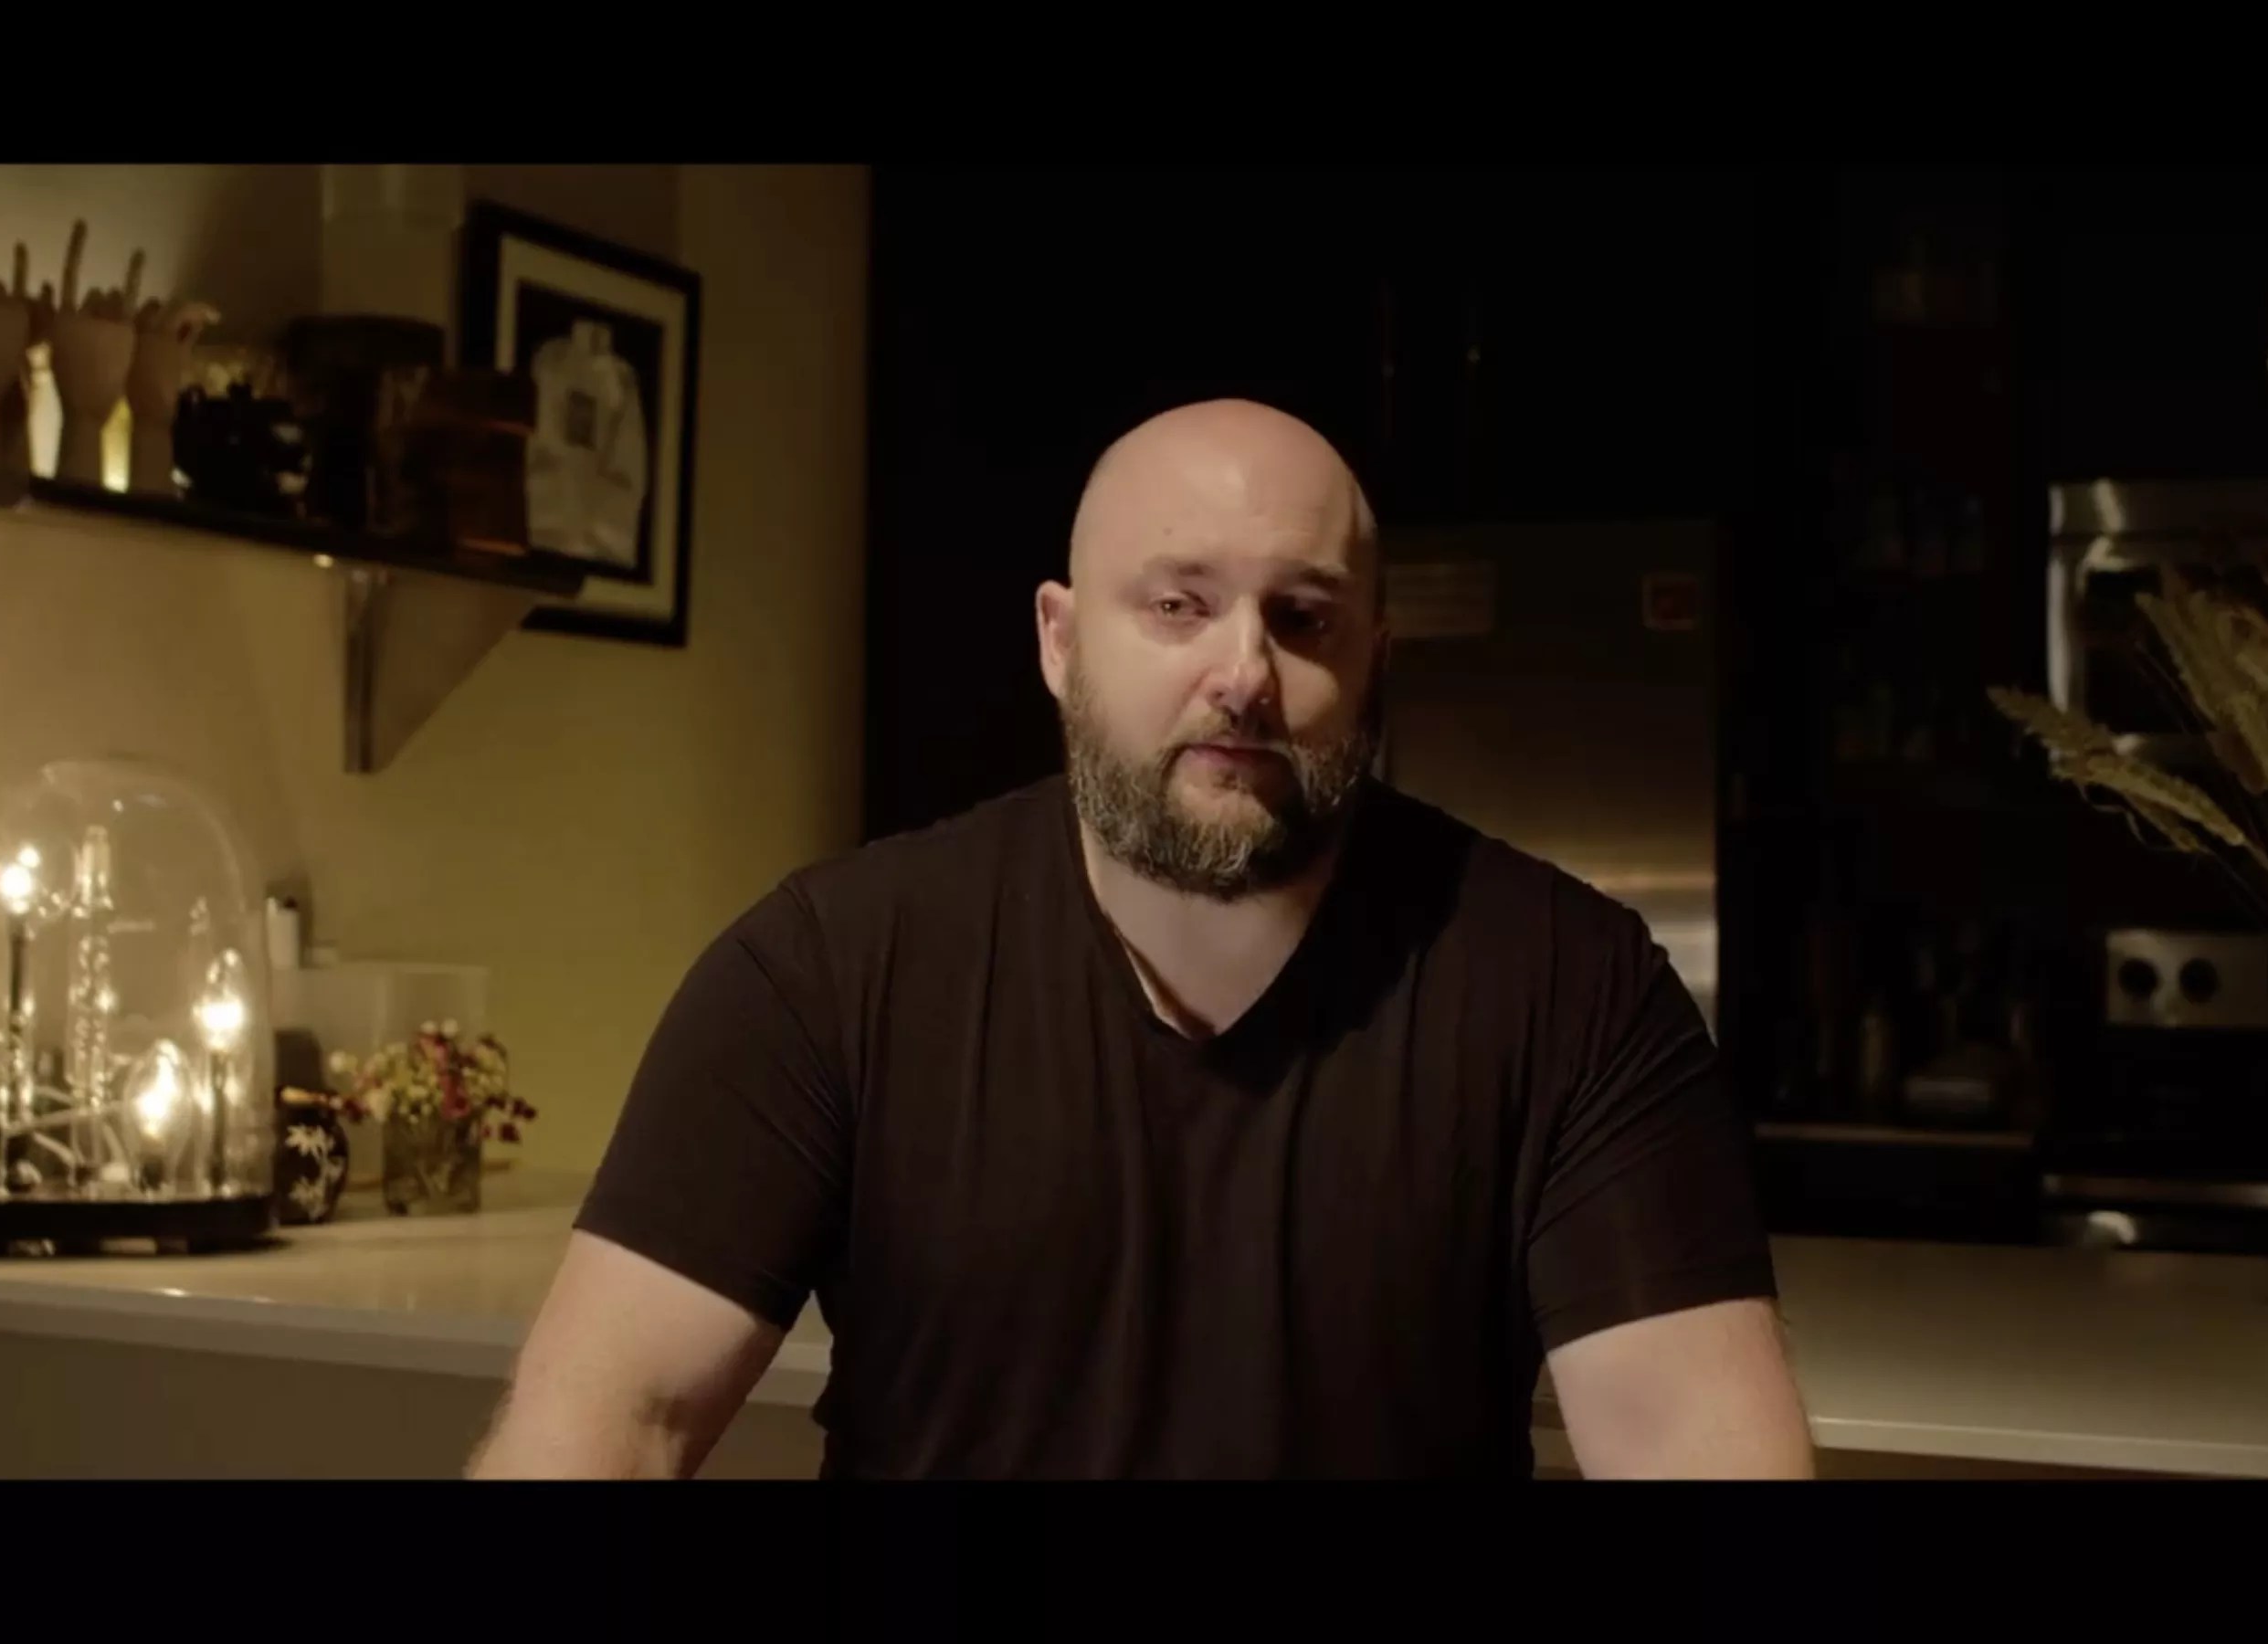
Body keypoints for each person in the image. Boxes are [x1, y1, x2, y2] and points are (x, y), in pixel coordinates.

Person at [470, 399, 1816, 1480]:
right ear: (1060, 642)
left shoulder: (1571, 989)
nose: (1243, 672)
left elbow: (1697, 1447)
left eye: (1303, 616)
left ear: (1376, 662)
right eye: (1177, 604)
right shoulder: (826, 972)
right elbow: (607, 1424)